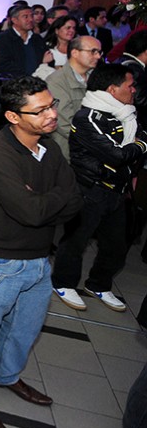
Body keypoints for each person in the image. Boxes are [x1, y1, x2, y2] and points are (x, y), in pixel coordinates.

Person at [0, 76, 81, 428]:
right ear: (13, 116)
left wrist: (43, 201)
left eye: (51, 105)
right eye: (39, 111)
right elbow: (31, 212)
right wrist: (48, 201)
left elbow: (75, 200)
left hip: (40, 258)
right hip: (0, 260)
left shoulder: (49, 148)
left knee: (24, 329)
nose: (51, 114)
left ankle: (5, 375)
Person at [52, 64, 145, 313]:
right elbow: (118, 155)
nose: (134, 90)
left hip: (117, 191)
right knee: (76, 241)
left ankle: (99, 285)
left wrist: (135, 148)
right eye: (129, 86)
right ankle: (63, 282)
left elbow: (131, 147)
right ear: (112, 89)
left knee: (116, 245)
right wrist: (141, 145)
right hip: (90, 189)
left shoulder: (127, 115)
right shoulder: (87, 118)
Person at [0, 4, 48, 144]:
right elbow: (5, 66)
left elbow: (47, 61)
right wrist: (35, 69)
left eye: (31, 16)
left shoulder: (37, 40)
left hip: (27, 92)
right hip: (1, 90)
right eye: (25, 16)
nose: (30, 19)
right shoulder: (2, 39)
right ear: (14, 20)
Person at [45, 35, 100, 160]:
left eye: (99, 52)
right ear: (75, 53)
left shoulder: (95, 78)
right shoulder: (57, 81)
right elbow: (65, 124)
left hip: (92, 148)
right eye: (93, 51)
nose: (98, 56)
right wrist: (99, 144)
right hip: (71, 152)